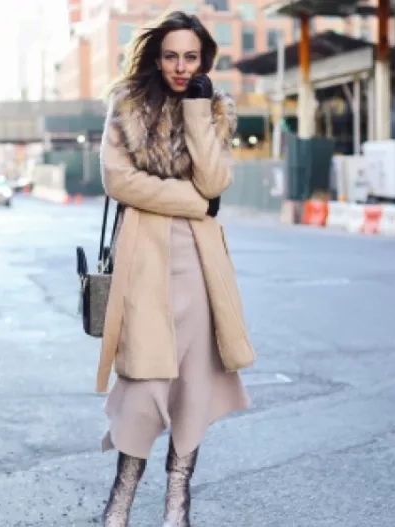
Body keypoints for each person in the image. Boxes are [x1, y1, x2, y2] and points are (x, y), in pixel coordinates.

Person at [93, 10, 257, 527]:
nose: (181, 67)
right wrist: (193, 204)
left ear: (203, 60)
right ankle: (120, 501)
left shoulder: (214, 109)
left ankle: (177, 504)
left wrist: (197, 111)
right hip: (144, 258)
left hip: (201, 267)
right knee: (143, 387)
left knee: (193, 387)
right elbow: (119, 181)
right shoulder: (128, 104)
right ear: (156, 57)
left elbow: (213, 183)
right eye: (171, 56)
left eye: (190, 57)